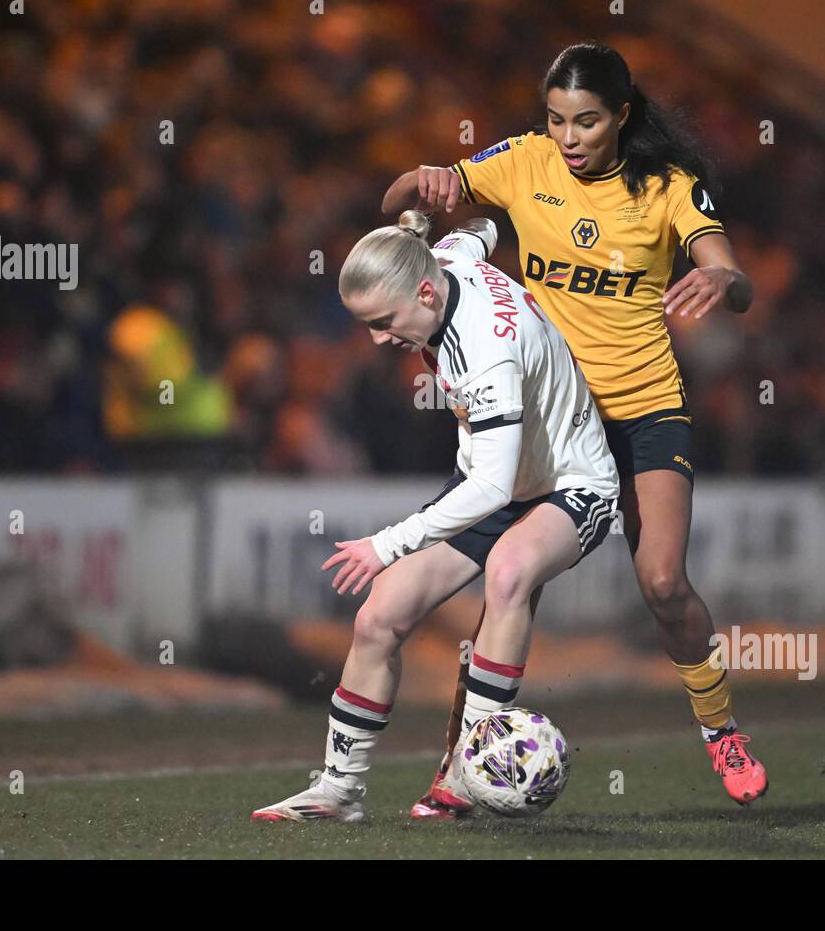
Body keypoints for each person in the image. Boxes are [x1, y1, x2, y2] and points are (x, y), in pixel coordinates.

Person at [382, 41, 767, 816]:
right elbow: (405, 198)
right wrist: (419, 179)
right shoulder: (523, 163)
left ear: (622, 116)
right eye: (557, 120)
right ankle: (458, 771)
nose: (569, 138)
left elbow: (733, 274)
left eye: (587, 123)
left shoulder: (667, 187)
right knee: (507, 582)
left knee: (662, 582)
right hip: (552, 420)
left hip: (646, 409)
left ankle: (721, 727)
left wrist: (724, 277)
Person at [251, 210, 619, 822]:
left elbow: (495, 488)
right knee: (377, 618)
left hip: (569, 485)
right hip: (494, 479)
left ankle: (465, 777)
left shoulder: (486, 352)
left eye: (384, 322)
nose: (377, 340)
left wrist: (386, 545)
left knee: (508, 572)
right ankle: (339, 790)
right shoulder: (443, 257)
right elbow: (485, 226)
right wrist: (430, 202)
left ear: (425, 292)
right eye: (366, 325)